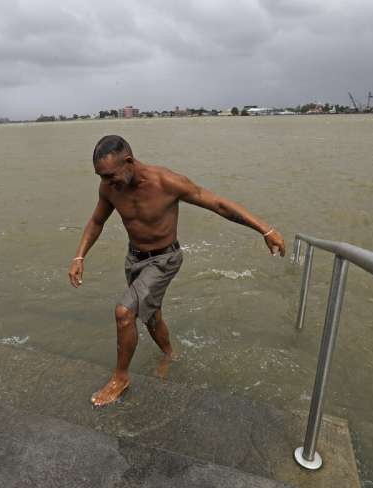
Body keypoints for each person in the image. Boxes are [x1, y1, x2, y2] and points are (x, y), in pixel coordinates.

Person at [68, 135, 286, 407]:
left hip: (164, 259)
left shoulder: (167, 182)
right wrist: (79, 256)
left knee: (124, 313)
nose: (106, 182)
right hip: (134, 258)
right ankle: (170, 355)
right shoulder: (110, 188)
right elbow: (97, 221)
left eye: (110, 175)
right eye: (101, 177)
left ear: (129, 161)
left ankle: (120, 378)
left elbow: (218, 204)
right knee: (150, 316)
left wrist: (266, 229)